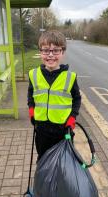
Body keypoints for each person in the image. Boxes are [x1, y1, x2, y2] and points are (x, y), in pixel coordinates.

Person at [27, 30, 81, 161]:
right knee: (43, 159)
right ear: (40, 52)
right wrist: (31, 111)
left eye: (56, 50)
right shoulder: (33, 75)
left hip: (63, 130)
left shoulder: (70, 77)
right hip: (42, 129)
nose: (50, 55)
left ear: (62, 52)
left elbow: (77, 99)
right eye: (46, 50)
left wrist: (72, 118)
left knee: (64, 162)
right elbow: (31, 95)